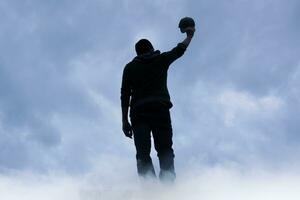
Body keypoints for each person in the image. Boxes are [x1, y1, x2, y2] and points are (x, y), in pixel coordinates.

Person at [120, 26, 195, 182]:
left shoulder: (130, 68)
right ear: (151, 48)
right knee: (165, 149)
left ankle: (150, 190)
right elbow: (179, 50)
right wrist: (189, 35)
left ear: (137, 53)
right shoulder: (161, 60)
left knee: (142, 153)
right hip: (160, 110)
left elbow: (125, 95)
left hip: (139, 114)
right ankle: (168, 186)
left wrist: (124, 120)